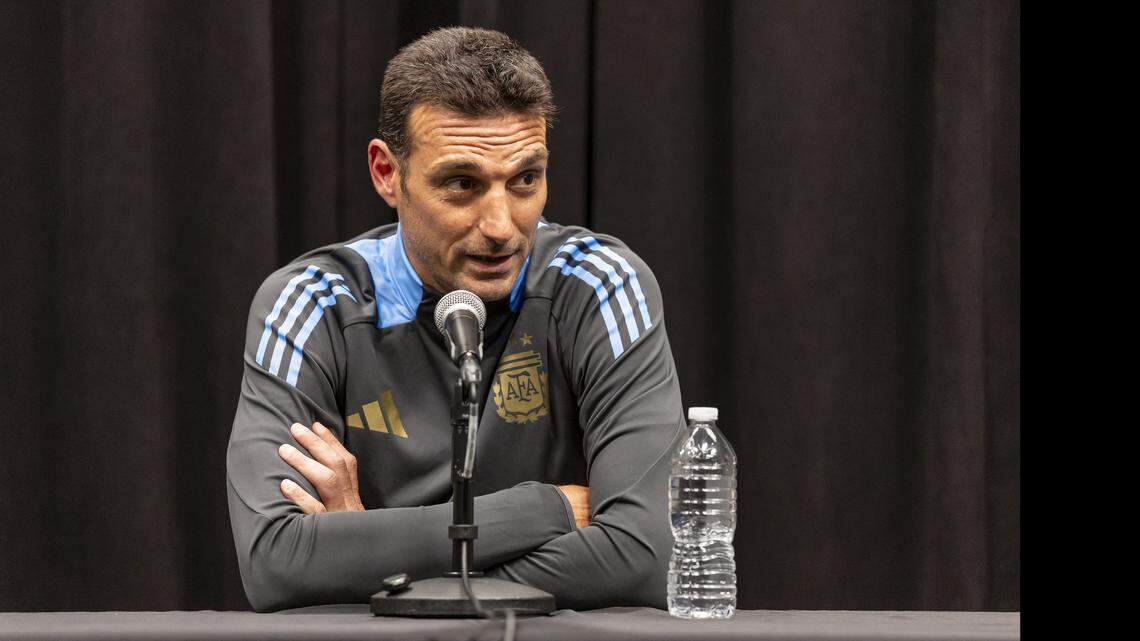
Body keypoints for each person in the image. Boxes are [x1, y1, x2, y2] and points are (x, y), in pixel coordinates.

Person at [226, 26, 686, 612]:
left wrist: (366, 556)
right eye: (462, 184)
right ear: (387, 174)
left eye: (525, 179)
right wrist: (544, 509)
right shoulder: (311, 301)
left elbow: (645, 559)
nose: (500, 225)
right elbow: (276, 563)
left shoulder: (599, 284)